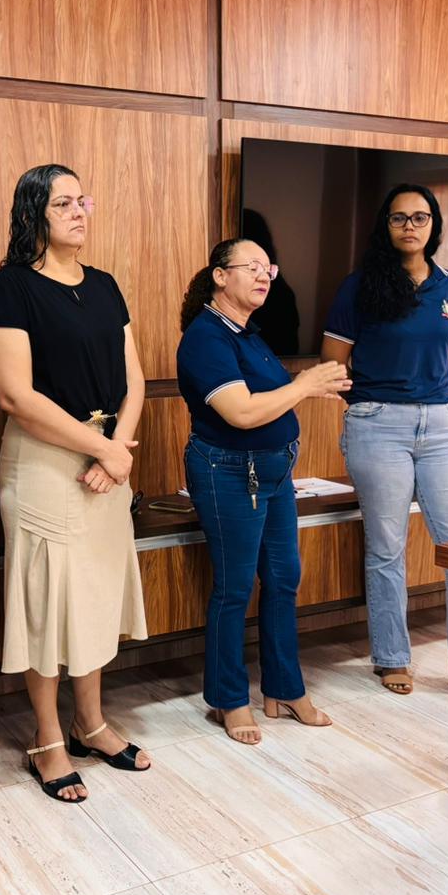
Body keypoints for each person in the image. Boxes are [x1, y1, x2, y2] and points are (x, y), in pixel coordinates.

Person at [0, 164, 150, 803]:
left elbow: (135, 379)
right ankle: (48, 738)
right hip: (45, 462)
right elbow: (15, 396)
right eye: (63, 204)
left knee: (96, 593)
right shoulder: (8, 288)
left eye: (83, 200)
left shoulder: (104, 285)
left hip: (109, 459)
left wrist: (116, 450)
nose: (79, 212)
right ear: (33, 215)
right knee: (47, 602)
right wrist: (103, 449)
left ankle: (91, 723)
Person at [320, 183, 448, 705]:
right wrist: (379, 403)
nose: (409, 226)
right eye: (399, 218)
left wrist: (428, 400)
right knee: (386, 547)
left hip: (442, 426)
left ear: (433, 225)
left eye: (420, 217)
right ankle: (391, 656)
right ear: (385, 226)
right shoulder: (359, 287)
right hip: (377, 425)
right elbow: (333, 364)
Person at [176, 239, 351, 745]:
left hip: (274, 474)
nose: (263, 276)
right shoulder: (206, 337)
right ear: (219, 276)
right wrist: (305, 384)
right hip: (230, 473)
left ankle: (284, 690)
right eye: (250, 267)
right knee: (234, 588)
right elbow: (241, 412)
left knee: (283, 578)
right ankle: (229, 699)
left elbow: (270, 402)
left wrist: (304, 386)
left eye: (267, 268)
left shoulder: (248, 333)